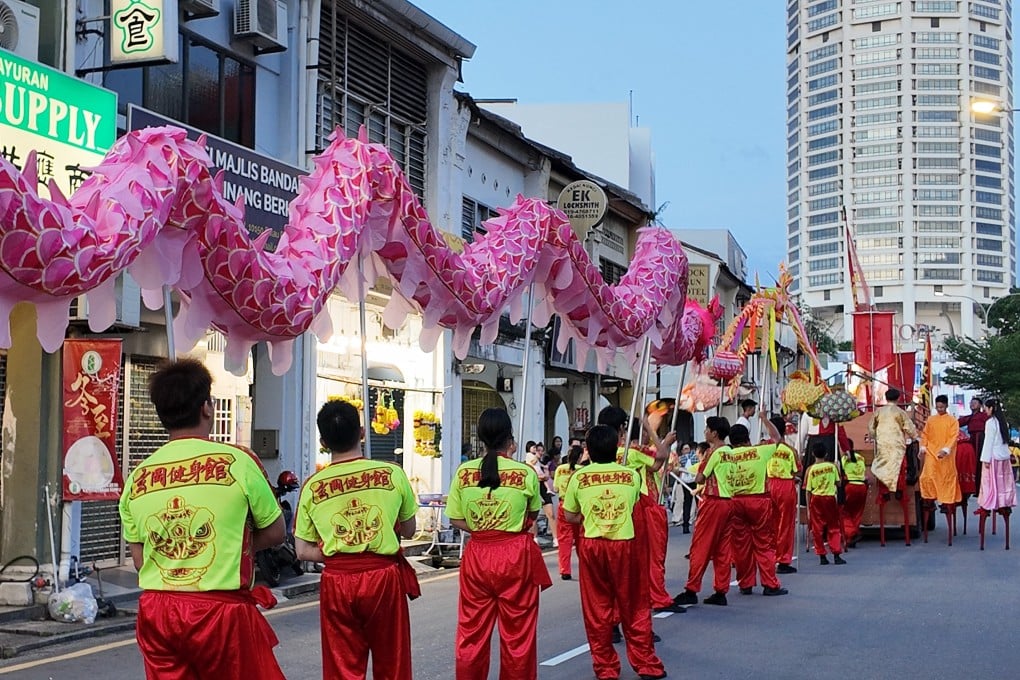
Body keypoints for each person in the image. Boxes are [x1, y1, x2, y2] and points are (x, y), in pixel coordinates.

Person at [117, 359, 286, 680]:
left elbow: (140, 561)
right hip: (220, 612)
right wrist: (235, 546)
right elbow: (276, 531)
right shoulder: (238, 460)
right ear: (207, 407)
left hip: (157, 613)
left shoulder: (138, 477)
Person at [293, 400, 420, 679]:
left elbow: (302, 550)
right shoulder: (392, 474)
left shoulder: (313, 486)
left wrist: (338, 554)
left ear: (324, 442)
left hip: (337, 581)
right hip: (383, 577)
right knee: (392, 663)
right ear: (362, 432)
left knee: (343, 667)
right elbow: (410, 530)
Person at [446, 408, 551, 680]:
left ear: (481, 438)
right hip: (515, 555)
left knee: (471, 634)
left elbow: (456, 518)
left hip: (478, 555)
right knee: (518, 637)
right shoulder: (525, 473)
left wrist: (483, 529)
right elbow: (531, 516)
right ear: (510, 438)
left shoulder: (463, 472)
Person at [562, 425, 666, 680]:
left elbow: (569, 515)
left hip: (593, 544)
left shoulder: (579, 477)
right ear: (616, 447)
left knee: (597, 607)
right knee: (634, 605)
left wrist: (591, 517)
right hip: (624, 543)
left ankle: (605, 667)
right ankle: (646, 663)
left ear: (589, 450)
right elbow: (632, 507)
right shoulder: (631, 476)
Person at [598, 407, 680, 616]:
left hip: (606, 512)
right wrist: (659, 437)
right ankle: (644, 606)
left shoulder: (595, 453)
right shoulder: (632, 451)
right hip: (640, 508)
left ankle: (612, 616)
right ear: (622, 429)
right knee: (645, 559)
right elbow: (659, 458)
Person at [673, 417, 734, 606]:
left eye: (707, 429)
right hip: (730, 502)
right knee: (723, 549)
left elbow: (700, 478)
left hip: (713, 502)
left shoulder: (712, 452)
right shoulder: (730, 452)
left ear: (714, 433)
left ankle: (691, 589)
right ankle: (721, 590)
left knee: (701, 546)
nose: (705, 431)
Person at [726, 418, 789, 596]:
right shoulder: (759, 451)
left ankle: (745, 583)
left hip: (735, 501)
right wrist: (764, 418)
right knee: (764, 544)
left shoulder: (726, 456)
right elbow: (778, 438)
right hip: (758, 501)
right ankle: (770, 583)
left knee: (741, 545)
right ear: (748, 439)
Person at [919, 395, 962, 536]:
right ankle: (930, 500)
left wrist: (946, 449)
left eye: (942, 407)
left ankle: (945, 502)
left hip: (946, 456)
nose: (939, 409)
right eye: (937, 407)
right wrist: (923, 447)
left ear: (946, 406)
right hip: (932, 452)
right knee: (927, 477)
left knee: (946, 478)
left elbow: (953, 437)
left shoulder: (952, 421)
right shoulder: (931, 420)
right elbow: (925, 435)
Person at [765, 415, 801, 574]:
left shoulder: (763, 447)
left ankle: (768, 556)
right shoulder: (790, 450)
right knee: (785, 524)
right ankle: (783, 560)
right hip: (786, 486)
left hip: (768, 485)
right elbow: (798, 470)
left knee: (770, 523)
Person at [976, 399, 1016, 540]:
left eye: (986, 408)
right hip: (1003, 457)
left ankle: (989, 502)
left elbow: (988, 442)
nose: (985, 411)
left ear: (992, 408)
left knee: (989, 483)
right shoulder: (1002, 422)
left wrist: (985, 459)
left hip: (993, 457)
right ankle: (1003, 502)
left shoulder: (990, 423)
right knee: (1003, 483)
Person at [868, 388, 918, 499]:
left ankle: (884, 491)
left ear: (886, 398)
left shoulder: (879, 411)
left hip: (883, 443)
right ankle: (899, 490)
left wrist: (875, 436)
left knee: (883, 467)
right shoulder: (900, 412)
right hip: (897, 444)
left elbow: (871, 427)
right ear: (898, 398)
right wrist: (914, 437)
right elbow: (909, 427)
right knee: (898, 467)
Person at [805, 442, 845, 565]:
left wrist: (807, 508)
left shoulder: (810, 469)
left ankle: (822, 555)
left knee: (817, 529)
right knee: (833, 526)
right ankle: (836, 554)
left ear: (812, 454)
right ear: (826, 454)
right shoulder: (832, 467)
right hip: (829, 498)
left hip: (816, 499)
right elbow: (839, 484)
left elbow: (808, 490)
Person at [553, 445, 584, 580]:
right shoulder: (582, 471)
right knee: (580, 539)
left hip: (563, 505)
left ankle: (565, 569)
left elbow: (555, 488)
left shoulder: (560, 469)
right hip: (578, 507)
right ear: (580, 456)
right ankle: (584, 567)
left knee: (564, 539)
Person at [526, 448, 557, 545]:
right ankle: (534, 537)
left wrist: (543, 476)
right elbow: (531, 476)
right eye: (537, 450)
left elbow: (547, 476)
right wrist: (540, 477)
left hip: (543, 488)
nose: (540, 452)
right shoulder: (527, 462)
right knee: (533, 513)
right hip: (535, 487)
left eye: (541, 450)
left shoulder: (542, 463)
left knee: (551, 513)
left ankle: (556, 538)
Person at [840, 440, 868, 549]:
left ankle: (852, 533)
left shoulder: (844, 459)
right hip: (862, 487)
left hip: (850, 487)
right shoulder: (861, 458)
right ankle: (851, 539)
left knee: (844, 512)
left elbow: (841, 473)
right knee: (857, 513)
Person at [959, 397, 989, 491]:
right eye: (971, 403)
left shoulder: (984, 415)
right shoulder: (969, 417)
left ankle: (980, 486)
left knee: (979, 461)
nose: (972, 404)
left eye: (975, 403)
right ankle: (974, 485)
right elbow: (957, 423)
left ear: (980, 405)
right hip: (972, 438)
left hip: (981, 438)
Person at [671, 442, 701, 532]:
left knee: (698, 502)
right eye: (684, 449)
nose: (686, 450)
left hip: (694, 481)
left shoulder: (695, 457)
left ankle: (699, 523)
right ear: (681, 450)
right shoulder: (680, 459)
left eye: (687, 448)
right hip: (685, 482)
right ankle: (685, 525)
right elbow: (676, 470)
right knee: (686, 502)